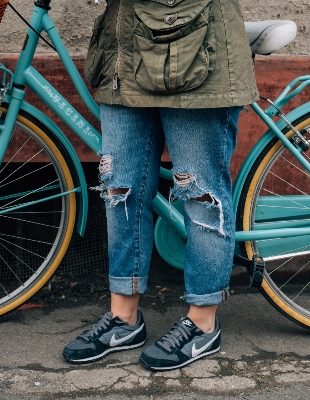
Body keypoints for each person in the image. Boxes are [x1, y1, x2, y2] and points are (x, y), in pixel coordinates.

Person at [62, 0, 258, 371]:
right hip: (124, 58)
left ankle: (203, 321)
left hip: (194, 50)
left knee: (200, 194)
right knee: (120, 190)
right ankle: (124, 319)